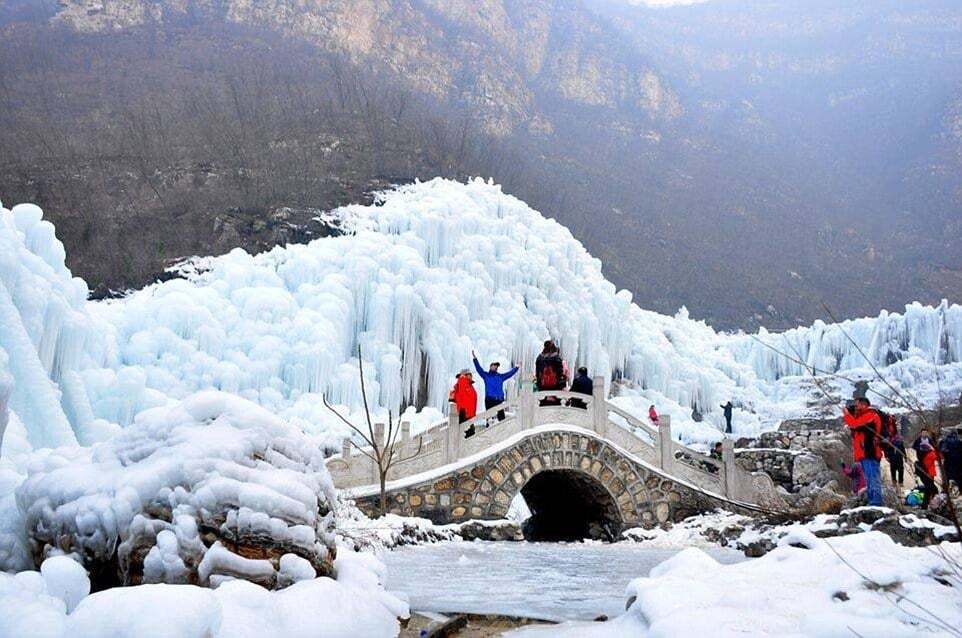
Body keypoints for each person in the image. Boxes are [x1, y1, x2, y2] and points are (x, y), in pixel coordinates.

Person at [842, 397, 884, 506]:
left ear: (863, 405)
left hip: (870, 452)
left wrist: (847, 414)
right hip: (865, 453)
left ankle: (876, 502)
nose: (855, 407)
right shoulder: (865, 416)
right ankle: (873, 501)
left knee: (872, 477)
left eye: (857, 405)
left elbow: (855, 424)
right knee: (869, 478)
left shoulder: (870, 415)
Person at [472, 351, 519, 422]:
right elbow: (479, 369)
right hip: (489, 400)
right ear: (490, 366)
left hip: (499, 400)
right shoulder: (486, 375)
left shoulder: (500, 377)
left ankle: (503, 431)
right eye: (494, 365)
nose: (496, 367)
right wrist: (475, 359)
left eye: (497, 366)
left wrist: (516, 368)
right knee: (489, 418)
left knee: (502, 419)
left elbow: (509, 374)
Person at [913, 429, 940, 508]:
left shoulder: (929, 444)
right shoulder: (929, 454)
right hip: (927, 472)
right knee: (931, 489)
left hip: (925, 471)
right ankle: (929, 504)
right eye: (923, 432)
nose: (924, 434)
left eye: (925, 432)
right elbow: (938, 455)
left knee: (931, 488)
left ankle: (928, 504)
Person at [535, 340, 565, 406]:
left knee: (543, 405)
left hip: (543, 386)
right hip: (555, 386)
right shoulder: (556, 357)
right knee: (555, 406)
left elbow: (537, 373)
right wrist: (562, 385)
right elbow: (560, 373)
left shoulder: (539, 358)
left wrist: (539, 385)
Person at [450, 370, 478, 436]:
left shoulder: (470, 386)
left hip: (470, 413)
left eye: (471, 375)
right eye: (468, 374)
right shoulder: (462, 383)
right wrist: (461, 376)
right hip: (465, 412)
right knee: (467, 432)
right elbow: (461, 392)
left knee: (470, 432)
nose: (471, 376)